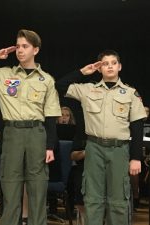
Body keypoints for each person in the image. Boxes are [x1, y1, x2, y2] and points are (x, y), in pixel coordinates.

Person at [0, 29, 61, 225]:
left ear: (35, 50)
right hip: (12, 132)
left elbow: (51, 116)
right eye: (18, 46)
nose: (20, 50)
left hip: (37, 132)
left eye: (25, 46)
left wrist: (50, 146)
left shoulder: (46, 80)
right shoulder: (4, 74)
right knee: (10, 184)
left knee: (37, 186)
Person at [57, 49, 146, 225]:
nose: (110, 66)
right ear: (99, 68)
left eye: (113, 63)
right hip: (94, 148)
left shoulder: (130, 93)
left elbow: (137, 128)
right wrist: (83, 71)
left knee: (119, 200)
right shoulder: (87, 90)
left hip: (119, 149)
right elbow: (58, 86)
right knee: (92, 199)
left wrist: (136, 158)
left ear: (119, 66)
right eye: (105, 64)